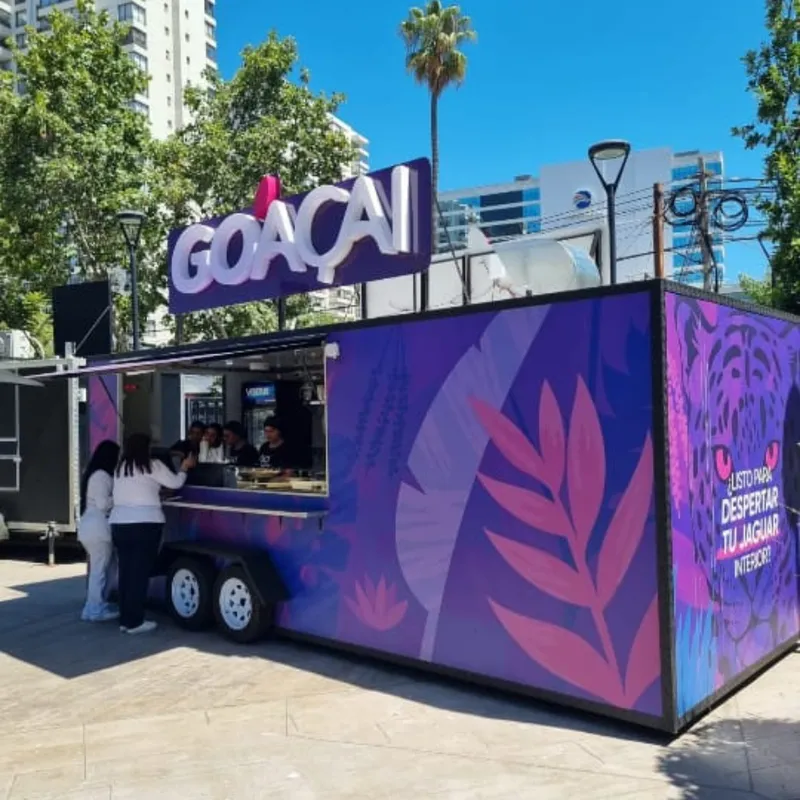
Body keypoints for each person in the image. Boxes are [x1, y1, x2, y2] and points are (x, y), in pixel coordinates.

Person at [110, 433, 195, 634]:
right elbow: (175, 483)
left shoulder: (121, 468)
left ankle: (125, 619)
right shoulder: (152, 465)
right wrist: (185, 467)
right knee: (140, 573)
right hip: (145, 524)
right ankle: (135, 622)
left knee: (126, 572)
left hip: (119, 523)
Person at [77, 439, 121, 623]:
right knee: (99, 571)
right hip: (98, 528)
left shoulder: (93, 474)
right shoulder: (102, 476)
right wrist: (120, 497)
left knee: (100, 569)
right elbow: (103, 504)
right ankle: (96, 609)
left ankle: (91, 607)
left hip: (90, 527)